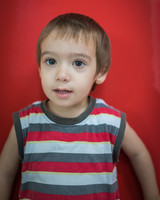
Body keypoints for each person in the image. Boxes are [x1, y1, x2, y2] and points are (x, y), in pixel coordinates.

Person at [0, 13, 159, 200]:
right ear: (40, 68)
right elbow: (5, 172)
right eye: (51, 61)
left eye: (78, 63)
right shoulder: (26, 121)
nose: (62, 75)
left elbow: (139, 154)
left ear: (100, 72)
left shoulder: (109, 120)